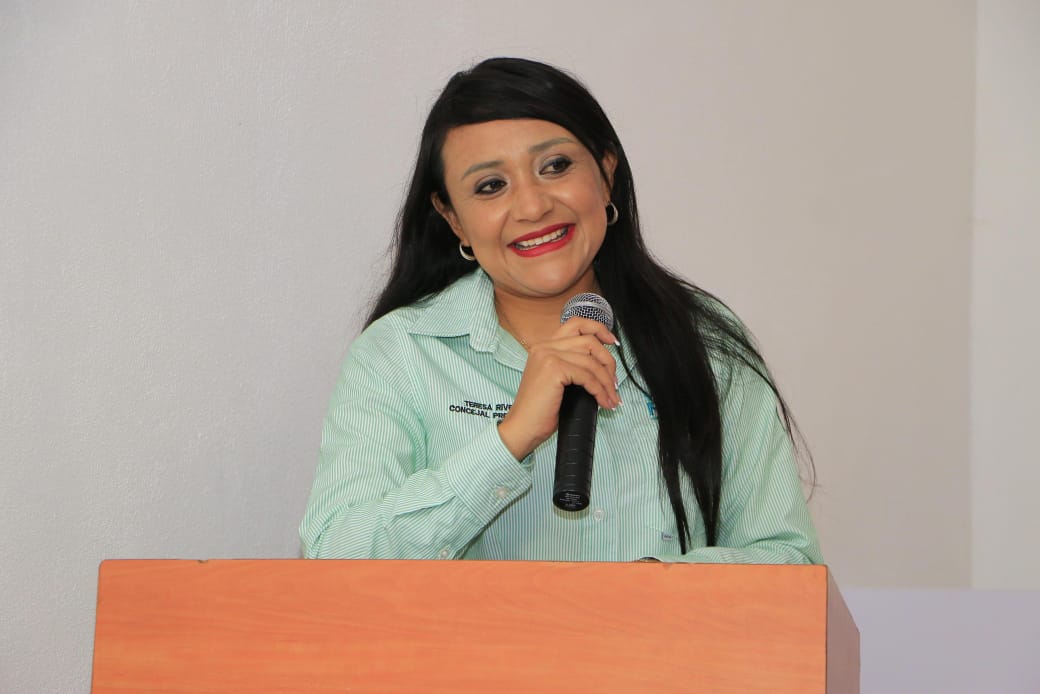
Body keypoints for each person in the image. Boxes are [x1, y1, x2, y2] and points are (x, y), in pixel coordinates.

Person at [299, 57, 821, 564]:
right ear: (453, 219)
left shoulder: (704, 343)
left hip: (655, 631)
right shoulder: (400, 354)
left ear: (606, 174)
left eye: (555, 166)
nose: (533, 206)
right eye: (490, 186)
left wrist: (651, 592)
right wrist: (509, 440)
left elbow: (788, 563)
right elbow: (333, 559)